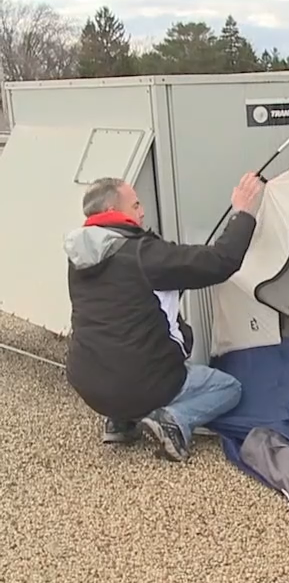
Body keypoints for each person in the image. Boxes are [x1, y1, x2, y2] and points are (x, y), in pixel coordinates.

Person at [63, 172, 264, 461]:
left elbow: (128, 294)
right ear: (111, 212)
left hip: (88, 383)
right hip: (141, 383)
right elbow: (221, 261)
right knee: (229, 389)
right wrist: (243, 212)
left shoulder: (79, 255)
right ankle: (173, 420)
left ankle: (121, 419)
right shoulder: (144, 253)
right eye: (135, 206)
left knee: (122, 349)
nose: (142, 211)